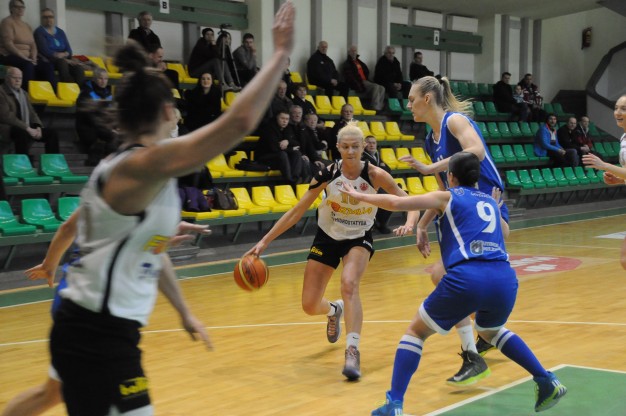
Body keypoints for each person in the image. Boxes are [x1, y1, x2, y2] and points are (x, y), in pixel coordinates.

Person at [46, 3, 294, 415]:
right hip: (93, 332)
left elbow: (150, 253)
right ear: (167, 112)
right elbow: (237, 123)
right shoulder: (140, 164)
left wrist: (184, 312)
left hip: (106, 331)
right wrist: (280, 53)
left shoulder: (143, 174)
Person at [339, 152, 568, 415]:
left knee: (415, 333)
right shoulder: (489, 201)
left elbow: (396, 202)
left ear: (450, 176)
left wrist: (359, 196)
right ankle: (545, 379)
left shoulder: (447, 196)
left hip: (468, 277)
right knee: (491, 331)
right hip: (504, 279)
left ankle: (394, 403)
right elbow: (504, 232)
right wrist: (495, 209)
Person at [246, 122, 417, 380]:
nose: (350, 151)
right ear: (337, 147)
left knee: (349, 284)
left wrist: (411, 223)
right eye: (345, 147)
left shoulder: (375, 174)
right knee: (309, 305)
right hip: (327, 236)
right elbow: (297, 210)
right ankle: (333, 310)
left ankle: (352, 350)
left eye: (355, 147)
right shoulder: (327, 173)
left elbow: (408, 201)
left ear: (363, 147)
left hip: (358, 237)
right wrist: (264, 241)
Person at [1, 211, 211, 416]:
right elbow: (76, 230)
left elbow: (154, 254)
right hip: (93, 312)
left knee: (53, 393)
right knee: (124, 403)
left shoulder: (152, 201)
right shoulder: (121, 192)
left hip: (102, 313)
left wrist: (184, 312)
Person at [398, 75, 509, 385]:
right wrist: (422, 225)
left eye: (412, 99)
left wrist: (430, 167)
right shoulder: (429, 140)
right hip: (463, 211)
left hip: (486, 207)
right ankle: (485, 340)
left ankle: (477, 348)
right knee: (452, 280)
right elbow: (443, 191)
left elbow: (477, 150)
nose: (409, 105)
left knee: (444, 276)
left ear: (427, 99)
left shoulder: (454, 121)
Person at [584, 94, 626, 271]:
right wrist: (619, 179)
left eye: (623, 109)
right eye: (616, 108)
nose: (617, 112)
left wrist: (604, 165)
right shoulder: (624, 138)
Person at [0, 66, 60, 160]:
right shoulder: (1, 92)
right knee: (21, 133)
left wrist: (38, 126)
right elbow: (6, 116)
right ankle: (24, 163)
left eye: (20, 78)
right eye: (14, 77)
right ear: (7, 78)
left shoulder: (24, 93)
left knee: (52, 133)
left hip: (26, 127)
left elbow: (32, 113)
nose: (17, 80)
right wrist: (27, 128)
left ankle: (53, 163)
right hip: (7, 128)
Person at [0, 0, 56, 90]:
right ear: (11, 9)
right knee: (28, 65)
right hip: (10, 55)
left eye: (22, 7)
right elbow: (8, 44)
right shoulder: (6, 22)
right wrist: (23, 57)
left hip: (28, 58)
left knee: (47, 66)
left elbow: (33, 44)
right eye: (17, 7)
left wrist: (33, 57)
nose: (20, 9)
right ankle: (27, 94)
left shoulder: (26, 25)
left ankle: (51, 94)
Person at [75, 67, 117, 166]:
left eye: (105, 79)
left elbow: (111, 113)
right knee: (98, 144)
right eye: (100, 78)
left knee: (115, 139)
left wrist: (114, 126)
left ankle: (110, 165)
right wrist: (107, 127)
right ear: (94, 79)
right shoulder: (86, 92)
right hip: (87, 127)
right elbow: (88, 116)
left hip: (102, 126)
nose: (103, 81)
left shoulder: (108, 93)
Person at [33, 8, 85, 85]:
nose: (48, 19)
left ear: (54, 18)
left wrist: (65, 54)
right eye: (45, 17)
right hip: (50, 61)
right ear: (41, 19)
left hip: (65, 59)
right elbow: (45, 51)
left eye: (50, 17)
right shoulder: (39, 32)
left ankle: (79, 90)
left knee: (79, 69)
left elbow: (69, 50)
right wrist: (59, 56)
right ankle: (67, 88)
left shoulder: (60, 32)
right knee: (62, 63)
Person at [255, 109, 305, 185]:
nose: (285, 121)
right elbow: (274, 148)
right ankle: (289, 181)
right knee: (282, 154)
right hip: (264, 158)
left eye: (287, 119)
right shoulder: (269, 129)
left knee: (297, 153)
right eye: (282, 118)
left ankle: (295, 179)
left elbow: (297, 143)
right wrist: (291, 148)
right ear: (277, 118)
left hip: (279, 158)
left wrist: (287, 141)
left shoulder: (287, 128)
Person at [362, 136, 393, 234]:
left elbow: (388, 170)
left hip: (378, 186)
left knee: (392, 197)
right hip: (366, 186)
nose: (371, 145)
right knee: (386, 197)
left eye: (373, 143)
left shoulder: (377, 156)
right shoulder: (362, 156)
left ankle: (381, 223)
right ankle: (377, 224)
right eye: (369, 143)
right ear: (364, 145)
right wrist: (380, 168)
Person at [342, 45, 385, 111]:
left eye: (355, 51)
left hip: (365, 81)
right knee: (376, 87)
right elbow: (350, 77)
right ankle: (374, 106)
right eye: (352, 51)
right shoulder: (347, 63)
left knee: (382, 88)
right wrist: (358, 84)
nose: (354, 52)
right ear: (349, 52)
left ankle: (379, 106)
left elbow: (366, 71)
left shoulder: (359, 62)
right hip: (359, 82)